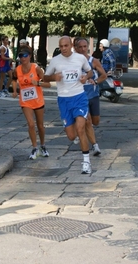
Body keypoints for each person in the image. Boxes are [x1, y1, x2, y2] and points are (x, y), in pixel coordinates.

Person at [43, 36, 93, 174]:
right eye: (61, 46)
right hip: (64, 100)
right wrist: (54, 77)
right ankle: (77, 138)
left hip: (79, 97)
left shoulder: (80, 58)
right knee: (71, 136)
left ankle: (86, 162)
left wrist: (86, 77)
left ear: (71, 45)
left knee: (81, 128)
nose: (63, 49)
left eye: (66, 45)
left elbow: (90, 71)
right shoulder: (55, 61)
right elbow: (45, 77)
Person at [12, 48, 51, 159]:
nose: (23, 58)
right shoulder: (17, 70)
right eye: (20, 56)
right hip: (25, 101)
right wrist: (14, 90)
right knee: (31, 124)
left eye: (25, 55)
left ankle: (43, 145)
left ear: (30, 56)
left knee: (40, 125)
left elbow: (48, 84)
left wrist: (37, 83)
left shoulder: (36, 68)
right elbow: (14, 79)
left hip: (38, 100)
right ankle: (34, 148)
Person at [74, 37, 107, 157]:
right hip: (80, 96)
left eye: (84, 47)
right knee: (87, 120)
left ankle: (80, 127)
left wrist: (96, 81)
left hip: (93, 94)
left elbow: (104, 75)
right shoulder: (73, 62)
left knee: (95, 121)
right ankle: (95, 146)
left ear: (88, 47)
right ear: (76, 48)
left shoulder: (94, 61)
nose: (83, 49)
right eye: (80, 47)